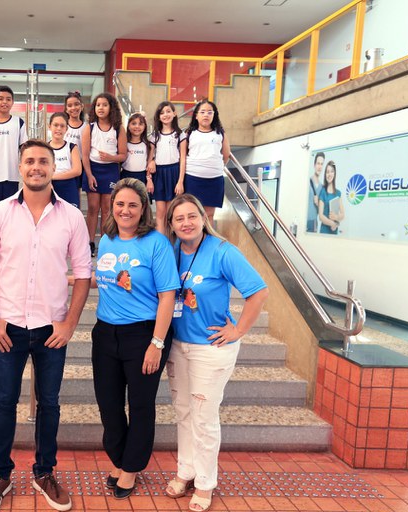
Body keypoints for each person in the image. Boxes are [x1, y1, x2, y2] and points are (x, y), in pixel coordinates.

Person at [0, 140, 92, 512]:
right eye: (29, 161)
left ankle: (44, 472)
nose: (36, 167)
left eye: (43, 161)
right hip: (7, 328)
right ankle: (0, 475)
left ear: (53, 167)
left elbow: (83, 273)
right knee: (4, 402)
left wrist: (69, 324)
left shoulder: (72, 216)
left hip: (51, 329)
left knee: (50, 403)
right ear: (20, 167)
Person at [163, 194, 268, 512]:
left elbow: (258, 291)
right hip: (178, 345)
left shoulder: (222, 251)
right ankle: (186, 471)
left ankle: (205, 483)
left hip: (211, 348)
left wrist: (238, 330)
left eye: (191, 216)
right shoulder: (171, 252)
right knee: (183, 412)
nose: (186, 223)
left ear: (203, 218)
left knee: (204, 418)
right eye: (179, 218)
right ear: (171, 224)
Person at [91, 178, 179, 500]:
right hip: (105, 333)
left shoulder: (157, 243)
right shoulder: (107, 240)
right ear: (112, 206)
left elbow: (167, 296)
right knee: (109, 404)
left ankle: (130, 468)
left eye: (132, 205)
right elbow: (110, 280)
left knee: (140, 406)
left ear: (144, 209)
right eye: (120, 204)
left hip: (144, 334)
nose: (125, 210)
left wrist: (157, 343)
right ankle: (119, 457)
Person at [82, 92, 127, 257]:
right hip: (93, 170)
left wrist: (111, 158)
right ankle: (89, 243)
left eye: (104, 105)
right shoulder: (90, 128)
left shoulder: (118, 129)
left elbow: (123, 155)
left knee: (107, 208)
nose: (101, 108)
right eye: (98, 105)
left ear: (111, 108)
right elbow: (85, 155)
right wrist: (89, 175)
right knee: (93, 208)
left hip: (110, 171)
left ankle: (105, 244)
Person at [179, 100, 230, 224]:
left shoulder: (220, 133)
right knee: (191, 213)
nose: (206, 115)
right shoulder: (189, 133)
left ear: (214, 115)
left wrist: (213, 167)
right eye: (202, 112)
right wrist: (180, 181)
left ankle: (208, 237)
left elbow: (226, 155)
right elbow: (182, 157)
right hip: (192, 179)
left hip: (214, 180)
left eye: (209, 112)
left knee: (209, 215)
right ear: (196, 115)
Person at [148, 101, 182, 232]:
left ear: (174, 113)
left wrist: (180, 181)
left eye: (168, 111)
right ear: (158, 116)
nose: (165, 115)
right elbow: (149, 158)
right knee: (160, 213)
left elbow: (183, 159)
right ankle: (161, 242)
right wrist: (149, 178)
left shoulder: (180, 135)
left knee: (171, 212)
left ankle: (171, 241)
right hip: (159, 174)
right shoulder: (154, 136)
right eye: (162, 113)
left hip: (174, 173)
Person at [48, 112, 82, 208]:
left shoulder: (72, 147)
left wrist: (53, 176)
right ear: (49, 126)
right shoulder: (45, 148)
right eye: (55, 125)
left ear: (66, 129)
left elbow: (77, 171)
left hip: (69, 188)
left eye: (62, 126)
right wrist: (49, 180)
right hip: (50, 187)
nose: (59, 128)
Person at [121, 113, 154, 195]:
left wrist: (149, 180)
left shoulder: (147, 145)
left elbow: (149, 164)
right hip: (125, 176)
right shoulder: (123, 143)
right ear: (128, 126)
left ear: (145, 126)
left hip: (142, 177)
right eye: (133, 123)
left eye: (140, 124)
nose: (137, 126)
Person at [317, 160, 344, 235]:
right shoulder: (323, 192)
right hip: (324, 232)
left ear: (334, 173)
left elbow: (342, 215)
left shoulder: (338, 193)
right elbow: (321, 216)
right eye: (327, 172)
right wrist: (333, 224)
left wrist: (336, 217)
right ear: (325, 174)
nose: (329, 174)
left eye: (332, 171)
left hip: (334, 233)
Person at [306, 152, 324, 233]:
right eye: (318, 163)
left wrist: (318, 203)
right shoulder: (307, 182)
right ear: (314, 165)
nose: (319, 167)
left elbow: (322, 210)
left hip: (313, 222)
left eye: (321, 164)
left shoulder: (322, 187)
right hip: (303, 220)